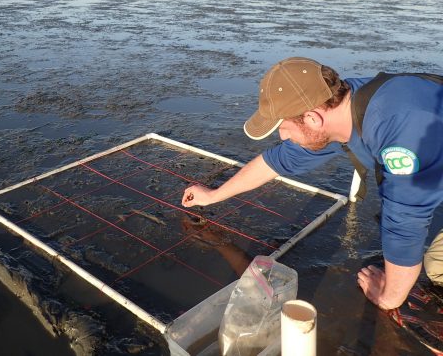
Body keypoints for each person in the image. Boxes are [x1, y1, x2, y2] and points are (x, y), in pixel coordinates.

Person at [181, 57, 443, 310]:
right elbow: (279, 160)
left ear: (312, 118)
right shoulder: (342, 105)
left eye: (283, 128)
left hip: (426, 148)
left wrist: (390, 297)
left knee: (437, 267)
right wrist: (213, 195)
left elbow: (405, 222)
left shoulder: (400, 129)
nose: (282, 137)